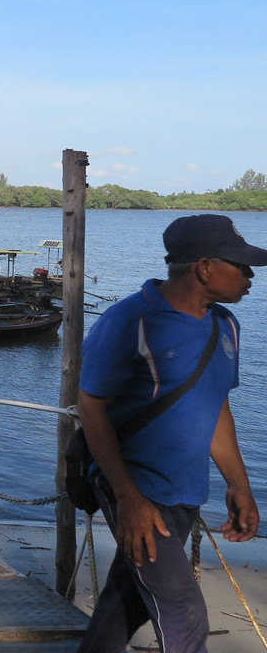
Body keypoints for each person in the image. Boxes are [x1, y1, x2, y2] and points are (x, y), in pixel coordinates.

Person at [76, 213, 264, 653]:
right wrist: (128, 497)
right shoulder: (130, 320)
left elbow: (216, 407)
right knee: (182, 609)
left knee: (129, 599)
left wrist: (240, 486)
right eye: (241, 264)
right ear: (204, 267)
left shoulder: (225, 326)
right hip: (135, 485)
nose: (251, 275)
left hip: (185, 488)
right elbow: (92, 408)